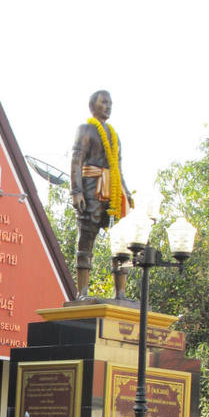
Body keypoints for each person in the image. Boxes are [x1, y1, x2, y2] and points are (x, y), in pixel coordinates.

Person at [70, 90, 132, 300]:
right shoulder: (86, 129)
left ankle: (121, 293)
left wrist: (126, 192)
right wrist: (76, 191)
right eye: (104, 102)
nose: (108, 106)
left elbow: (118, 168)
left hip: (114, 192)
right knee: (86, 237)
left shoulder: (115, 136)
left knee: (121, 240)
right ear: (92, 106)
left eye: (110, 103)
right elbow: (76, 160)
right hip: (91, 189)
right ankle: (82, 292)